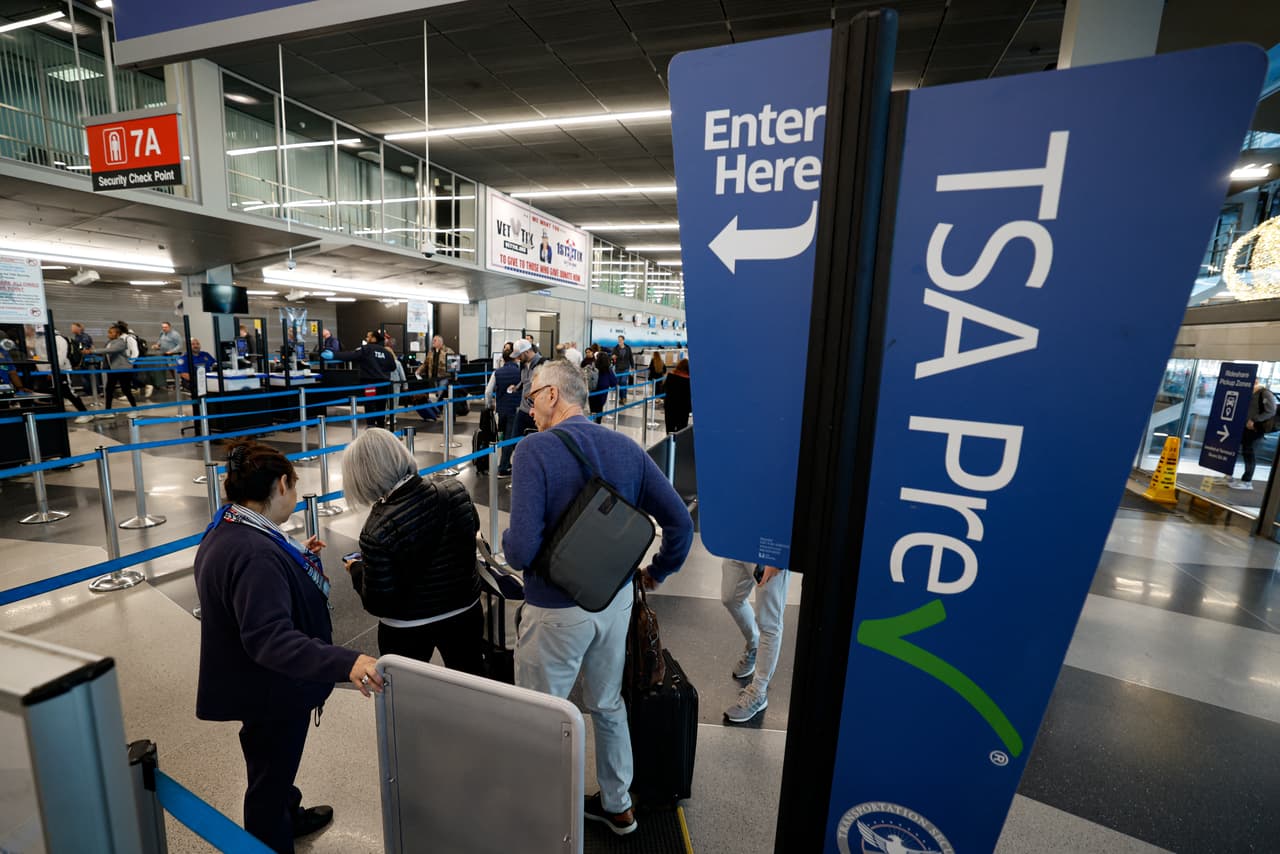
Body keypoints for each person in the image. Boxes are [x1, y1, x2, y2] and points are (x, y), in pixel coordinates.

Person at [502, 360, 694, 836]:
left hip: (556, 611)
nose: (528, 410)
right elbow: (681, 524)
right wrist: (657, 572)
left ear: (551, 395)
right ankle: (619, 805)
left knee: (540, 713)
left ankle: (542, 814)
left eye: (531, 398)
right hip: (615, 602)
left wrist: (508, 539)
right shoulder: (626, 449)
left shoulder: (535, 451)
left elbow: (522, 549)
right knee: (607, 703)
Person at [194, 441, 383, 853]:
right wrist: (346, 662)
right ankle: (270, 836)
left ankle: (288, 811)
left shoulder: (230, 528)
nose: (295, 500)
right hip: (271, 690)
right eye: (294, 488)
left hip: (254, 682)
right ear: (281, 484)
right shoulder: (255, 552)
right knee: (268, 778)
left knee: (274, 767)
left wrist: (296, 563)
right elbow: (269, 637)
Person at [341, 428, 485, 672]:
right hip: (465, 608)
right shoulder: (455, 490)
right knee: (474, 682)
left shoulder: (375, 530)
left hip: (408, 625)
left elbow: (379, 602)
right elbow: (472, 530)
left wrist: (356, 569)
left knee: (406, 696)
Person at [720, 560, 790, 723]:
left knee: (769, 622)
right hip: (743, 542)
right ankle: (754, 645)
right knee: (730, 597)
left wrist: (778, 561)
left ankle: (759, 692)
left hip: (770, 550)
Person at [325, 332, 396, 429]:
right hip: (383, 383)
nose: (366, 338)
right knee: (381, 404)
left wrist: (334, 355)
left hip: (370, 383)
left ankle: (371, 426)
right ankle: (380, 426)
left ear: (374, 338)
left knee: (369, 403)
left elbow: (351, 355)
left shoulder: (366, 349)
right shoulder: (386, 352)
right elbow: (393, 367)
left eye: (368, 336)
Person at [1229, 380, 1278, 491]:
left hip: (1255, 428)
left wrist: (1254, 420)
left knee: (1249, 453)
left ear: (1256, 381)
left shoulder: (1264, 393)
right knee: (1238, 450)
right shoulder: (1247, 392)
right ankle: (1229, 476)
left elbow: (1270, 411)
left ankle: (1247, 481)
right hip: (1244, 427)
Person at [492, 349, 522, 477]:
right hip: (514, 409)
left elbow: (488, 391)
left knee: (502, 436)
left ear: (503, 359)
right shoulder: (521, 372)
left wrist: (490, 405)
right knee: (510, 438)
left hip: (501, 409)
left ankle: (505, 463)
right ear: (516, 358)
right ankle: (503, 467)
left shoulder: (497, 372)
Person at [96, 324, 137, 418]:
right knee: (109, 390)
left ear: (117, 333)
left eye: (111, 332)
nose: (108, 334)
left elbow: (111, 350)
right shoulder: (109, 342)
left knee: (126, 390)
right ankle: (108, 411)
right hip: (113, 370)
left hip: (124, 370)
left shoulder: (121, 342)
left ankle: (135, 409)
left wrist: (92, 351)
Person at [53, 329, 93, 423]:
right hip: (53, 370)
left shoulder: (58, 339)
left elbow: (61, 357)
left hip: (62, 370)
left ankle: (85, 413)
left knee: (68, 392)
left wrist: (53, 370)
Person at [512, 339, 545, 437]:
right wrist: (516, 387)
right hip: (523, 410)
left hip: (537, 412)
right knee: (514, 442)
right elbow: (525, 381)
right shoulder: (524, 366)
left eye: (519, 355)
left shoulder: (544, 365)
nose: (517, 358)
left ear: (527, 352)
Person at [149, 321, 184, 397]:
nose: (164, 328)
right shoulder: (162, 333)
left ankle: (179, 384)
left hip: (173, 355)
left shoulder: (175, 334)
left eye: (165, 327)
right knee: (166, 369)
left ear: (169, 327)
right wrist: (156, 346)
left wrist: (171, 351)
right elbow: (160, 341)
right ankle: (164, 384)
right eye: (163, 327)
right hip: (164, 354)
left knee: (174, 370)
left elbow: (180, 345)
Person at [663, 358, 691, 433]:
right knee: (681, 430)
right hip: (683, 409)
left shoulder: (670, 376)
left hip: (669, 407)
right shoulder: (689, 381)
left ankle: (669, 444)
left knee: (669, 430)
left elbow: (664, 389)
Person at [588, 350, 617, 417]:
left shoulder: (592, 368)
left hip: (592, 393)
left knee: (593, 411)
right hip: (602, 395)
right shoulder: (608, 370)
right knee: (599, 412)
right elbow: (614, 383)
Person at [612, 335, 634, 402]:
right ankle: (620, 398)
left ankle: (624, 397)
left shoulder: (628, 348)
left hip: (625, 368)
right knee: (618, 383)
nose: (619, 341)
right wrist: (613, 357)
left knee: (623, 382)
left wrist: (632, 367)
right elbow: (612, 358)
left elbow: (631, 358)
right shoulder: (615, 348)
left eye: (621, 340)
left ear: (623, 340)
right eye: (618, 340)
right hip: (618, 368)